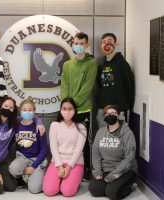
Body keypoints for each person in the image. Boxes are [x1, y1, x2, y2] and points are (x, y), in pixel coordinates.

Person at [0, 96, 45, 195]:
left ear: (14, 110)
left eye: (11, 108)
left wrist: (40, 122)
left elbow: (30, 116)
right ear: (0, 106)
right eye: (5, 106)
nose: (7, 109)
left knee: (11, 187)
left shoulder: (13, 122)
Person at [60, 32, 98, 180]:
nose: (79, 46)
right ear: (73, 44)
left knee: (86, 143)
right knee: (70, 140)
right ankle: (71, 168)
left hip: (83, 109)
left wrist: (71, 106)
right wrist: (65, 106)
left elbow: (87, 88)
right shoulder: (67, 65)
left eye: (82, 44)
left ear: (87, 45)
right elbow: (64, 86)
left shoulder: (92, 63)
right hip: (68, 111)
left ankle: (87, 170)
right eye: (76, 43)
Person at [89, 104, 137, 200]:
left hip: (125, 170)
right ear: (104, 117)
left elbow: (129, 158)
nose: (110, 115)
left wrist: (115, 174)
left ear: (118, 115)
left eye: (113, 113)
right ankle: (110, 185)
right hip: (106, 169)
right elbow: (95, 154)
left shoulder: (127, 133)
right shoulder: (100, 132)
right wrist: (98, 171)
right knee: (95, 190)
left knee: (112, 194)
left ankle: (131, 187)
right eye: (107, 114)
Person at [43, 97, 87, 197]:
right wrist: (59, 167)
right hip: (57, 162)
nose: (67, 111)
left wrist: (68, 167)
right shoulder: (54, 125)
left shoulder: (81, 126)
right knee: (49, 191)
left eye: (70, 109)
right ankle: (61, 181)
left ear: (75, 110)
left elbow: (79, 150)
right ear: (60, 110)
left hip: (75, 163)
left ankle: (72, 180)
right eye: (64, 108)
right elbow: (53, 147)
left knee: (67, 192)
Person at [9, 99, 48, 194]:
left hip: (37, 159)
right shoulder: (16, 124)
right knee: (13, 169)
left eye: (30, 110)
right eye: (24, 109)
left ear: (34, 111)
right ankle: (25, 177)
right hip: (22, 157)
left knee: (34, 190)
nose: (27, 112)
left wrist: (33, 166)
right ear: (20, 111)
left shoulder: (39, 127)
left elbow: (44, 150)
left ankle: (38, 174)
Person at [96, 33, 135, 128]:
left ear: (116, 43)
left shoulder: (123, 64)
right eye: (104, 42)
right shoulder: (100, 66)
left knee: (119, 138)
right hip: (103, 110)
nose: (106, 44)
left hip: (119, 110)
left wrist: (126, 106)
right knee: (104, 138)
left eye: (109, 41)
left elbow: (129, 86)